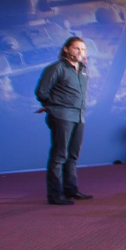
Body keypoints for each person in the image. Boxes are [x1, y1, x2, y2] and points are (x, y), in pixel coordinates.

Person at [34, 36, 91, 205]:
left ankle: (71, 190)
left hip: (79, 116)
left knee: (73, 155)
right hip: (62, 116)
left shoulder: (82, 69)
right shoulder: (56, 68)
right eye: (77, 48)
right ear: (66, 49)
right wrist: (52, 106)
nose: (80, 52)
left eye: (83, 49)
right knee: (59, 155)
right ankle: (55, 195)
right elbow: (41, 91)